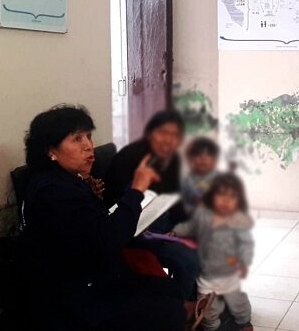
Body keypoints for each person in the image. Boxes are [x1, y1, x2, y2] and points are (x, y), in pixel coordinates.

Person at [19, 105, 185, 331]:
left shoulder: (65, 180)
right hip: (75, 295)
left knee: (168, 289)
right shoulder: (52, 191)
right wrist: (137, 190)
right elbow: (107, 239)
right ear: (51, 150)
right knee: (166, 307)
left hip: (92, 274)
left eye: (88, 136)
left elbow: (91, 226)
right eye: (77, 139)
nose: (88, 145)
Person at [104, 110, 200, 300]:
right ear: (150, 133)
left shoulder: (175, 160)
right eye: (163, 132)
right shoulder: (129, 158)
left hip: (164, 224)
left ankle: (196, 301)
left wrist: (183, 227)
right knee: (188, 259)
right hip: (136, 231)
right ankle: (178, 309)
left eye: (175, 135)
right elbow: (116, 206)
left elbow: (179, 201)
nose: (168, 140)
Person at [172, 173, 254, 331]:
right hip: (207, 278)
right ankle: (210, 327)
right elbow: (189, 227)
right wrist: (176, 232)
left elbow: (245, 245)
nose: (226, 201)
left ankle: (245, 322)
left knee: (239, 303)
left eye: (232, 197)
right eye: (221, 196)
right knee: (209, 310)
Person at [181, 137, 220, 214]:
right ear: (190, 159)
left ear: (215, 160)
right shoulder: (186, 181)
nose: (203, 159)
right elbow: (184, 205)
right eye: (198, 155)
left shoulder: (220, 179)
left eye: (208, 155)